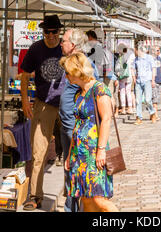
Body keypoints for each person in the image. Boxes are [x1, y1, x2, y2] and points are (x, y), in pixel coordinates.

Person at [60, 52, 118, 212]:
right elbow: (77, 125)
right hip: (79, 154)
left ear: (77, 72)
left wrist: (101, 151)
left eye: (68, 73)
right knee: (85, 198)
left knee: (99, 199)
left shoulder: (99, 89)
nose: (66, 77)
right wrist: (70, 154)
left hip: (93, 153)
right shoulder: (79, 93)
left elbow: (106, 119)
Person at [20, 15, 64, 211]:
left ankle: (74, 195)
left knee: (73, 151)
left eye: (55, 32)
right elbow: (25, 75)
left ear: (59, 32)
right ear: (43, 31)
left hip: (66, 105)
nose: (51, 35)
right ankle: (35, 195)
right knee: (39, 151)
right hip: (43, 104)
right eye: (48, 32)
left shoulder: (66, 48)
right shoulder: (36, 48)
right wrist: (24, 101)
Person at [59, 28, 99, 212]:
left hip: (76, 130)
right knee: (71, 173)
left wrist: (76, 129)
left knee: (77, 175)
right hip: (70, 127)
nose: (61, 43)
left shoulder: (85, 66)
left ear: (73, 45)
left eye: (64, 40)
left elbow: (94, 97)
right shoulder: (72, 63)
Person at [132, 45, 158, 125]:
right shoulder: (135, 59)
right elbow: (132, 68)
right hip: (139, 82)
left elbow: (153, 68)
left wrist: (153, 80)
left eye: (136, 50)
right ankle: (139, 117)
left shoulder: (149, 58)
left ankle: (152, 113)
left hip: (147, 81)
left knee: (147, 100)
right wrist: (134, 79)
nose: (135, 52)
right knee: (138, 101)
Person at [116, 47, 133, 115]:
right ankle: (130, 108)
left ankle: (123, 109)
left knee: (122, 92)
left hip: (122, 77)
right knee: (128, 92)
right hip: (129, 77)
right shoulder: (130, 58)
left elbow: (117, 68)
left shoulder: (120, 59)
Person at [152, 46, 161, 121]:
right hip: (153, 81)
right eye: (157, 50)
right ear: (153, 51)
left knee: (156, 98)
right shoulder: (150, 59)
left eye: (159, 50)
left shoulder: (159, 58)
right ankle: (155, 114)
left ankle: (152, 113)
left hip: (159, 80)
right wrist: (152, 80)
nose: (159, 52)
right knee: (154, 99)